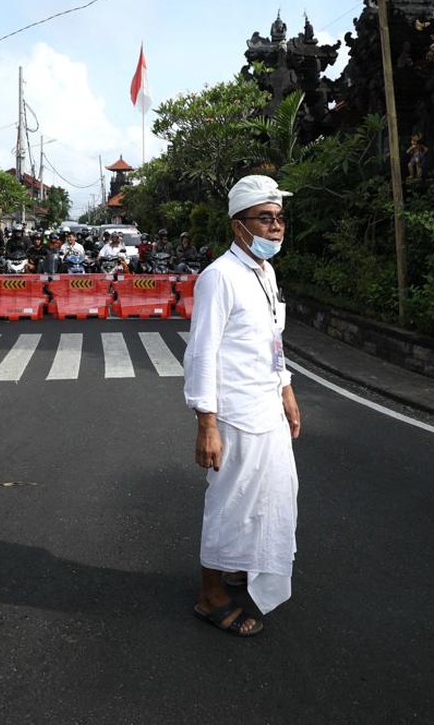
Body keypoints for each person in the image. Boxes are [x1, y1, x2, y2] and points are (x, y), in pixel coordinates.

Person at [184, 174, 302, 637]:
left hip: (267, 406)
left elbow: (272, 339)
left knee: (273, 493)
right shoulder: (219, 277)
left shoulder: (264, 272)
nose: (276, 226)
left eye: (280, 217)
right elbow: (201, 352)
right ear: (239, 226)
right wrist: (206, 424)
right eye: (265, 218)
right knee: (230, 502)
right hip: (233, 413)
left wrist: (286, 389)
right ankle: (210, 594)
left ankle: (239, 563)